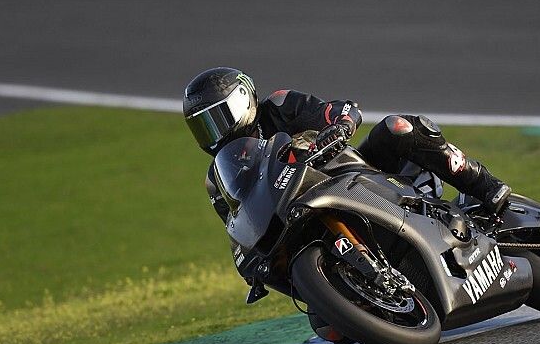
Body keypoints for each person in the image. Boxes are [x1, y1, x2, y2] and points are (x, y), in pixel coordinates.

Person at [182, 66, 511, 323]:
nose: (214, 132)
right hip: (299, 220)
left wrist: (339, 125)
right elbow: (238, 222)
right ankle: (368, 291)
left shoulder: (280, 106)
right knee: (329, 328)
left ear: (242, 100)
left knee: (398, 127)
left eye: (218, 117)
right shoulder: (217, 178)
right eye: (203, 126)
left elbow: (339, 110)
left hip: (352, 173)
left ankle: (483, 184)